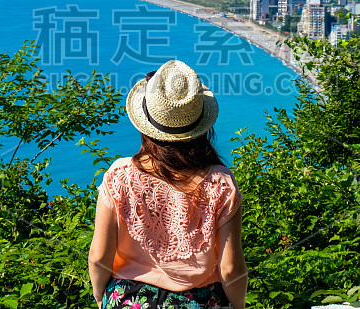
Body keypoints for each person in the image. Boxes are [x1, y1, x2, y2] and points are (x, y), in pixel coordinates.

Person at [89, 60, 247, 309]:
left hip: (128, 300)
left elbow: (99, 258)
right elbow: (231, 269)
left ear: (147, 124)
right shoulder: (220, 182)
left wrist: (101, 297)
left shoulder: (119, 175)